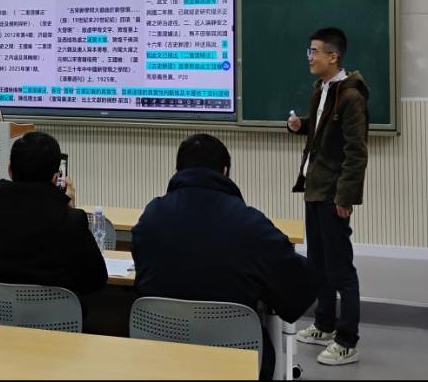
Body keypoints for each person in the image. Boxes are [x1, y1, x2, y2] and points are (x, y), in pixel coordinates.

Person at [132, 133, 316, 380]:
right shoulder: (251, 225)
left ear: (176, 171)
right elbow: (299, 290)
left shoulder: (151, 217)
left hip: (160, 358)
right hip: (236, 362)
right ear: (225, 171)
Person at [288, 27, 369, 366]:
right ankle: (324, 324)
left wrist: (344, 197)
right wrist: (302, 125)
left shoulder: (351, 96)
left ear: (333, 56)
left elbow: (356, 153)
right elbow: (324, 126)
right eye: (309, 51)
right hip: (314, 187)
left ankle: (347, 340)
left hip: (333, 192)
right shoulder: (323, 88)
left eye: (315, 52)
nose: (310, 57)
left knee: (340, 269)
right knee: (318, 262)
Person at [0, 132, 106, 296]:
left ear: (10, 170)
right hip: (54, 312)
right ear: (55, 177)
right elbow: (96, 280)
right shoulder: (70, 220)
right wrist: (68, 208)